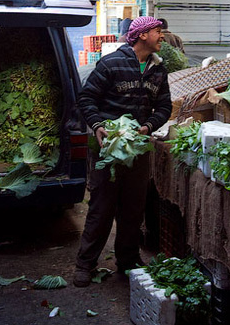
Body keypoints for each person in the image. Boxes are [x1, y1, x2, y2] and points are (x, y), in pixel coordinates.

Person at [73, 16, 172, 287]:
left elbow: (164, 107)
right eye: (157, 31)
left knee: (133, 209)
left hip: (137, 151)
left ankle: (127, 261)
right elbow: (86, 99)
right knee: (101, 208)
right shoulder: (112, 63)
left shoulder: (158, 70)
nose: (162, 36)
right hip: (109, 149)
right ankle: (85, 264)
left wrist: (148, 126)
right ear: (142, 35)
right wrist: (97, 126)